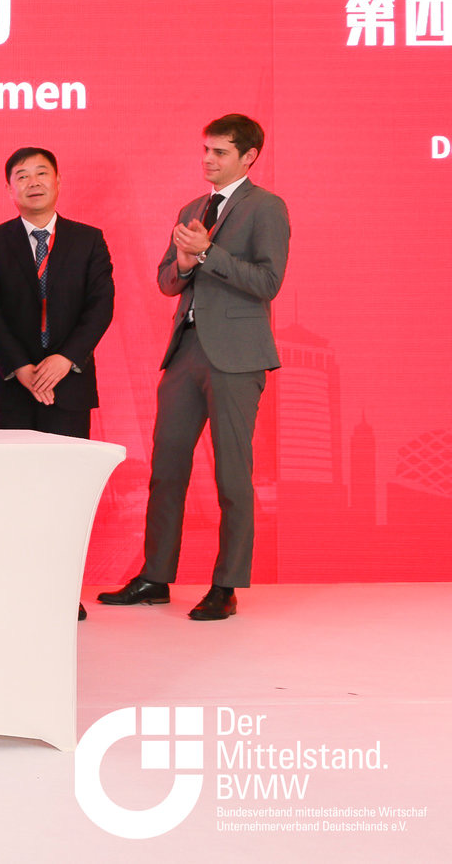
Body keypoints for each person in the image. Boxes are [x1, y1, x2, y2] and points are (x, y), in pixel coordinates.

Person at [99, 114, 290, 621]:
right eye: (206, 150)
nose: (208, 159)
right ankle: (155, 576)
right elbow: (167, 281)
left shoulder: (266, 207)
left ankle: (226, 586)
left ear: (249, 157)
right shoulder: (192, 208)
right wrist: (185, 263)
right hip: (185, 351)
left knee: (232, 475)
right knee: (166, 470)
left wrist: (207, 253)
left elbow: (268, 282)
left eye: (220, 152)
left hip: (237, 357)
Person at [0, 147, 115, 440]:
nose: (33, 183)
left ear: (58, 181)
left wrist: (66, 358)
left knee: (68, 467)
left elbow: (100, 306)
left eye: (41, 173)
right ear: (9, 188)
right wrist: (20, 366)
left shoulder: (88, 239)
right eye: (22, 176)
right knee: (11, 467)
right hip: (11, 387)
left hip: (69, 384)